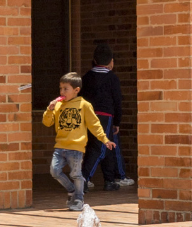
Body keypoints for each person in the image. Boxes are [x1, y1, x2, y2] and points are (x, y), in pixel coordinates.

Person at [43, 72, 116, 211]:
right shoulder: (58, 105)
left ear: (76, 90)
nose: (62, 91)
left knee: (76, 174)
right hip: (60, 146)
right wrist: (49, 109)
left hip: (76, 147)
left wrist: (105, 139)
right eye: (61, 88)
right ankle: (72, 190)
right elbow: (47, 122)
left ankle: (78, 199)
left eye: (66, 89)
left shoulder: (84, 105)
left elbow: (94, 124)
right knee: (55, 171)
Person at [81, 44, 133, 192]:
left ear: (94, 60)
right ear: (111, 61)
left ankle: (109, 180)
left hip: (88, 115)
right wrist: (117, 122)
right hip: (105, 116)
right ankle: (84, 178)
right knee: (100, 148)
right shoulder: (112, 78)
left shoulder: (87, 77)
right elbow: (117, 101)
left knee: (105, 146)